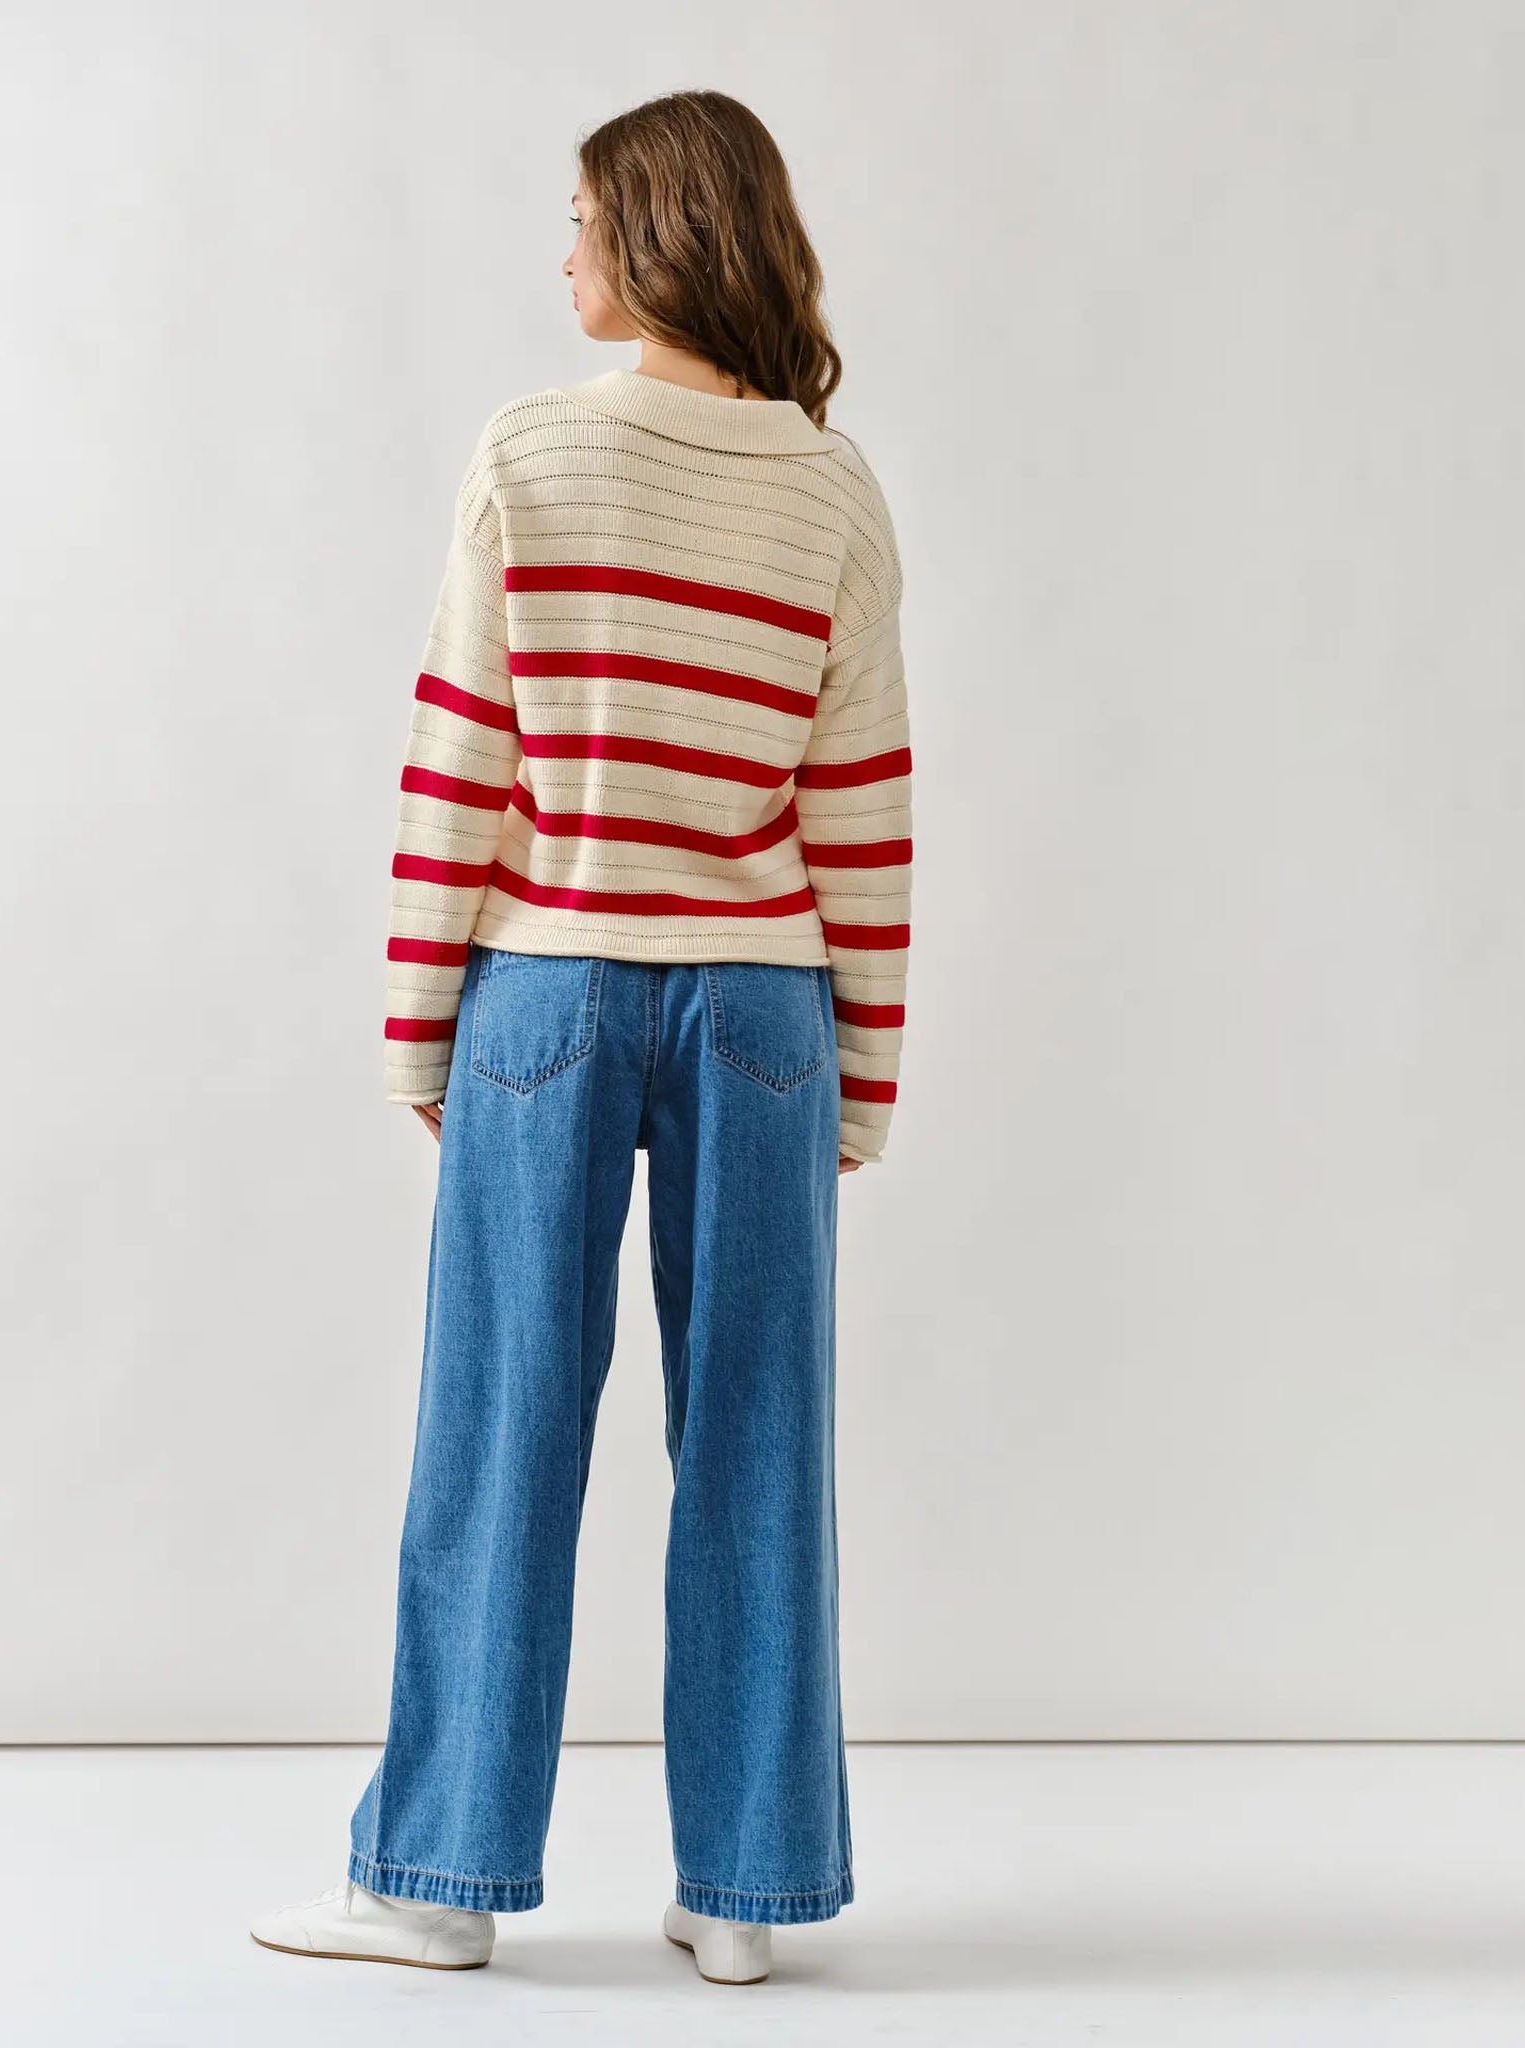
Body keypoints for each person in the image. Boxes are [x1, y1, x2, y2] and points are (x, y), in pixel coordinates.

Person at [250, 87, 911, 1988]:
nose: (563, 255)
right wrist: (864, 1072)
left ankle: (435, 1884)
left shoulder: (532, 451)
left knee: (500, 1428)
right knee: (761, 1438)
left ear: (653, 235)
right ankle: (746, 1897)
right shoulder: (833, 488)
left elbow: (464, 747)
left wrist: (417, 1026)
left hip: (544, 985)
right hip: (765, 1001)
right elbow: (861, 802)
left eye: (580, 219)